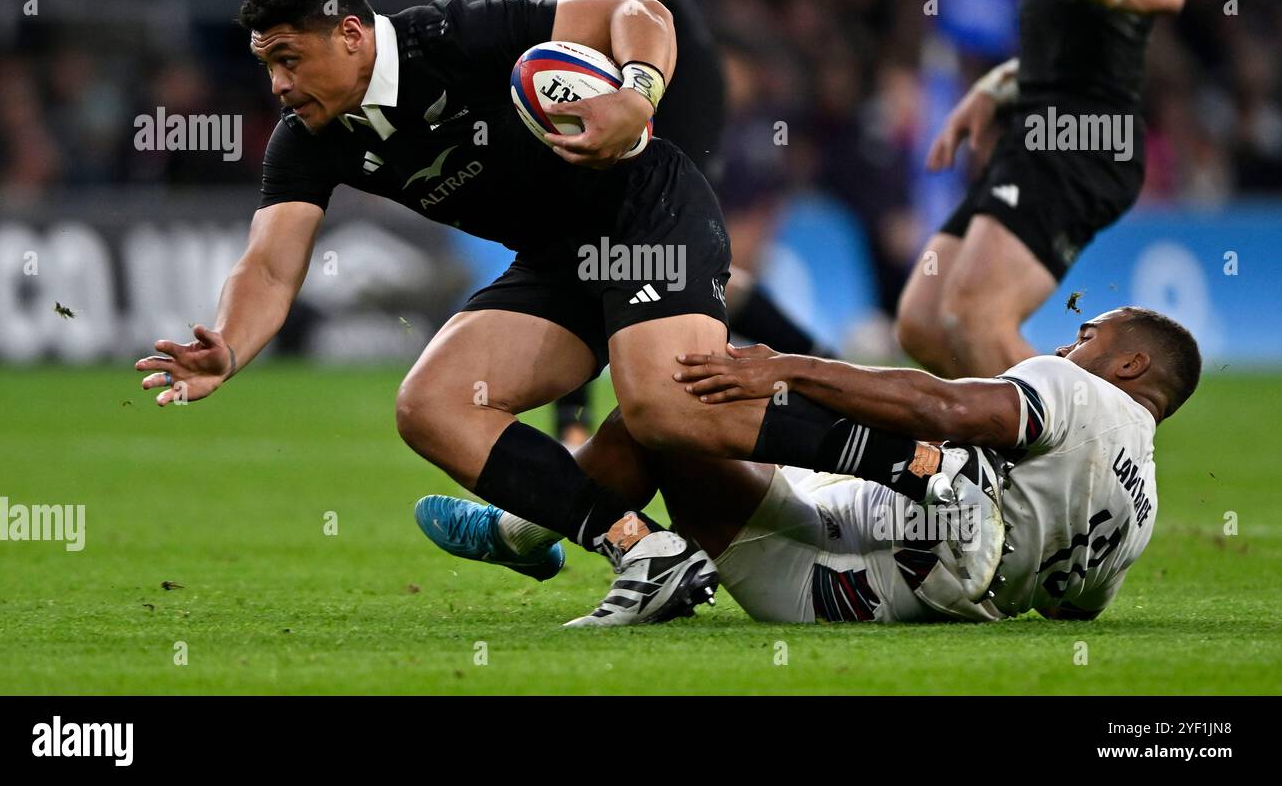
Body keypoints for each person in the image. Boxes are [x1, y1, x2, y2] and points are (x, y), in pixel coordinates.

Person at [135, 0, 736, 627]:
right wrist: (231, 346)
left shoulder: (455, 32)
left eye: (290, 58)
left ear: (351, 35)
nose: (278, 84)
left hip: (648, 213)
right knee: (432, 403)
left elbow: (638, 11)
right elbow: (271, 266)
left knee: (661, 408)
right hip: (558, 263)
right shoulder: (308, 139)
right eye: (267, 65)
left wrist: (638, 93)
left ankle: (852, 454)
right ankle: (646, 549)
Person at [423, 307, 1200, 624]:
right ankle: (535, 534)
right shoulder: (1147, 505)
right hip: (881, 595)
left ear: (1129, 362)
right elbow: (1074, 610)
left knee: (657, 420)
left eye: (1088, 334)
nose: (1069, 346)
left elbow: (946, 408)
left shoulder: (1075, 390)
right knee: (924, 468)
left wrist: (786, 369)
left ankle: (523, 530)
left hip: (879, 548)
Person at [531, 0, 828, 447]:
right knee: (613, 243)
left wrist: (599, 29)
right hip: (599, 72)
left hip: (658, 74)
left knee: (616, 241)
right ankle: (822, 365)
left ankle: (579, 431)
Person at [896, 0, 1192, 377]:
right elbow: (1059, 32)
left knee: (975, 316)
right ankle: (1032, 446)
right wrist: (998, 85)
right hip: (1035, 123)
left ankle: (1094, 454)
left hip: (1084, 130)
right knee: (926, 321)